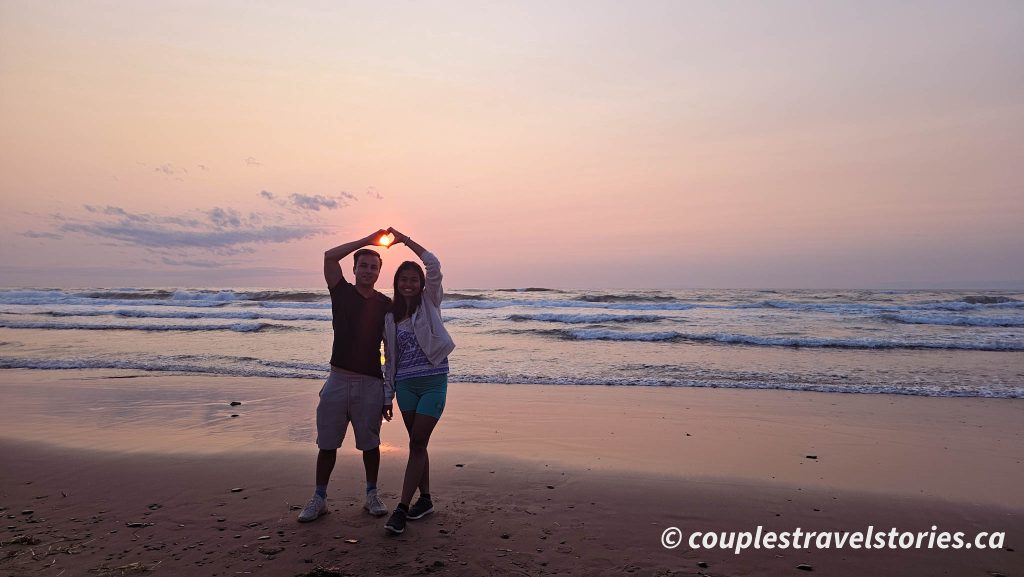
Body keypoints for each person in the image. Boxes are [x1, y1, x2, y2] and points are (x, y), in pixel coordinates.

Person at [297, 230, 395, 523]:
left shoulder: (385, 304)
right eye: (363, 265)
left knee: (370, 444)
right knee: (327, 443)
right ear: (353, 269)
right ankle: (319, 499)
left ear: (379, 272)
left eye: (373, 267)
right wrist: (368, 240)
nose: (368, 270)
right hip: (337, 380)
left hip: (371, 383)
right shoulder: (341, 292)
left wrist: (388, 394)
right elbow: (329, 257)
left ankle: (371, 495)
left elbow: (392, 349)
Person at [382, 228, 456, 535]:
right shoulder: (391, 317)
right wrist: (387, 395)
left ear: (422, 284)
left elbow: (433, 264)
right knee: (418, 444)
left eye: (414, 279)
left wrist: (405, 240)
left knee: (416, 443)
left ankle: (401, 508)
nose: (409, 284)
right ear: (397, 283)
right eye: (404, 280)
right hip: (405, 386)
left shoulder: (430, 302)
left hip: (433, 381)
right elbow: (389, 358)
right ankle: (425, 500)